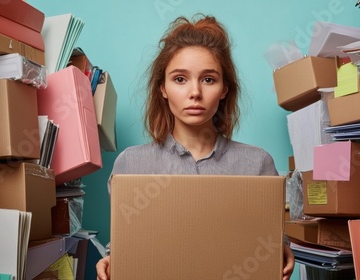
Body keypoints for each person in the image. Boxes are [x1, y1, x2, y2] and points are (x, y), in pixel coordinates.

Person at [96, 14, 295, 280]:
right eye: (180, 79)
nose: (195, 93)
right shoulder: (131, 164)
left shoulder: (257, 164)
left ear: (224, 88)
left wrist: (282, 251)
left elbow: (267, 245)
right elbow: (127, 241)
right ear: (162, 89)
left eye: (208, 79)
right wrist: (109, 260)